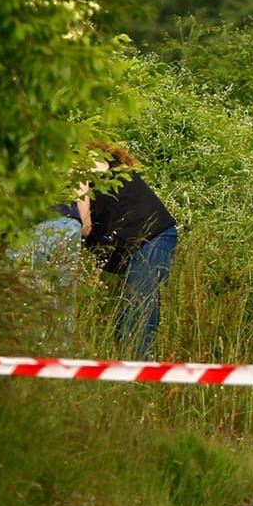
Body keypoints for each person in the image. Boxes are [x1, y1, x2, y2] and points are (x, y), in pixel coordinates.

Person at [77, 142, 180, 359]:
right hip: (147, 238)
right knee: (128, 314)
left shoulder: (78, 165)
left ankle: (139, 374)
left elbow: (83, 224)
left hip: (150, 237)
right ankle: (131, 369)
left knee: (137, 314)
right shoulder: (98, 161)